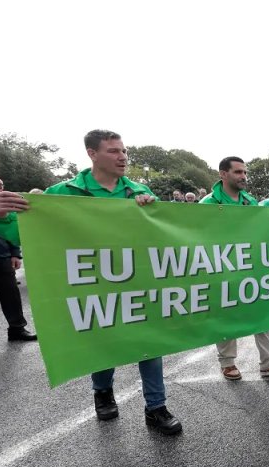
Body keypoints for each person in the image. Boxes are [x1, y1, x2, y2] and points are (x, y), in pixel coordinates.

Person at [44, 129, 182, 435]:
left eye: (124, 151)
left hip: (137, 280)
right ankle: (103, 392)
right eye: (113, 151)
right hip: (92, 282)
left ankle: (156, 407)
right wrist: (5, 215)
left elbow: (163, 231)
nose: (122, 157)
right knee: (103, 340)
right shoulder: (64, 192)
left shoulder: (139, 191)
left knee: (150, 342)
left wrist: (154, 211)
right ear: (92, 154)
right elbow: (25, 228)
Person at [200, 157, 269, 379]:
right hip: (221, 269)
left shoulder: (250, 202)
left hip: (250, 268)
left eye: (245, 172)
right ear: (223, 174)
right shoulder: (207, 203)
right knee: (225, 314)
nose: (243, 176)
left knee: (262, 312)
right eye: (238, 172)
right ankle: (227, 363)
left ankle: (268, 363)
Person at [0, 178, 37, 341]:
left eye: (0, 185)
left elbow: (13, 232)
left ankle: (17, 329)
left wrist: (15, 254)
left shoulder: (9, 209)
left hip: (2, 258)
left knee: (10, 294)